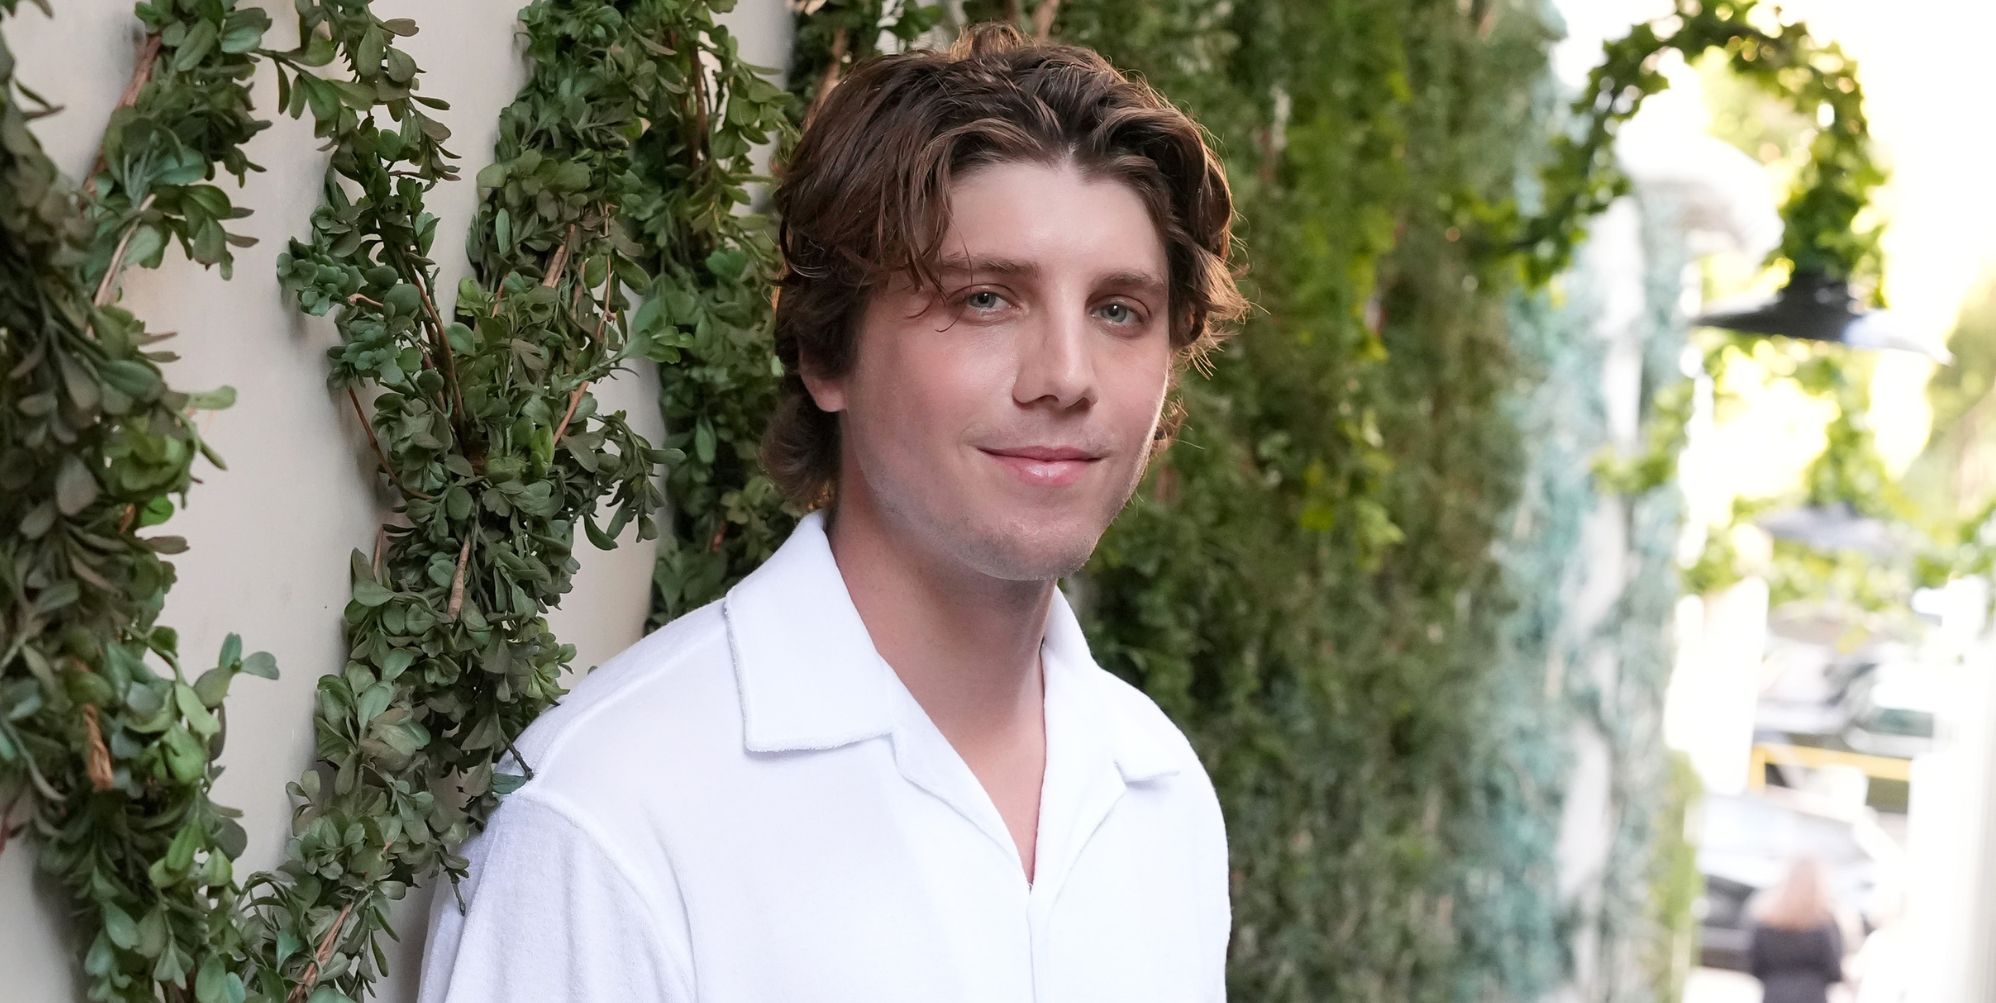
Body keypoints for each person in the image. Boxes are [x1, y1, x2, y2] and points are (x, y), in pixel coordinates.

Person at [417, 21, 1247, 1003]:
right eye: (985, 297)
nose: (1067, 376)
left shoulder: (1161, 793)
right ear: (825, 352)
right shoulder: (610, 818)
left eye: (1119, 310)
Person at [1747, 857, 1847, 1003]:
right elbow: (1833, 970)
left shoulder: (1764, 918)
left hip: (1774, 993)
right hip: (1812, 995)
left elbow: (1754, 963)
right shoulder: (1825, 921)